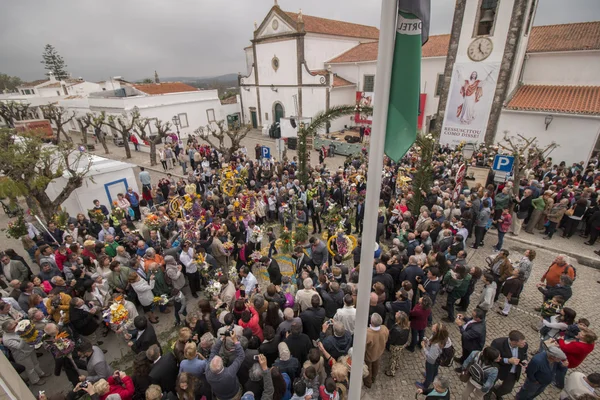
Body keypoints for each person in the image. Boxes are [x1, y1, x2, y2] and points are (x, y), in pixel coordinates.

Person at [2, 320, 49, 385]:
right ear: (8, 330)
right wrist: (23, 335)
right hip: (22, 355)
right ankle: (35, 380)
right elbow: (19, 347)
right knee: (30, 368)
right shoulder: (6, 339)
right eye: (14, 327)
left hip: (29, 349)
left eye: (16, 324)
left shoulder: (17, 329)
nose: (16, 326)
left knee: (35, 362)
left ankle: (41, 373)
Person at [205, 331, 245, 400]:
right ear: (222, 364)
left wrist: (221, 339)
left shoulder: (207, 371)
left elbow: (213, 352)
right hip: (234, 395)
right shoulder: (229, 373)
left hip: (220, 397)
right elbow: (241, 356)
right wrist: (235, 340)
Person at [489, 330, 528, 399]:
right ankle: (487, 395)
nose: (524, 344)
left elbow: (524, 355)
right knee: (489, 384)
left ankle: (496, 393)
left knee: (507, 389)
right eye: (522, 343)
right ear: (514, 342)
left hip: (512, 371)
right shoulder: (498, 343)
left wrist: (524, 361)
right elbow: (492, 358)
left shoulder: (524, 346)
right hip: (498, 369)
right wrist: (508, 360)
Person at [416, 322, 451, 390]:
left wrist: (424, 347)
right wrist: (427, 341)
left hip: (432, 361)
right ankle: (433, 377)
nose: (433, 325)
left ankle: (425, 385)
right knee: (435, 369)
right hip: (438, 359)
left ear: (436, 331)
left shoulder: (436, 345)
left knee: (429, 371)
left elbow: (431, 357)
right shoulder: (443, 337)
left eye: (434, 326)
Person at [363, 313, 389, 388]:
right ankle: (373, 378)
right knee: (376, 365)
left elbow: (363, 347)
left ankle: (368, 383)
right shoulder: (384, 329)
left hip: (369, 355)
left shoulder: (367, 333)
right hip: (379, 352)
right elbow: (386, 339)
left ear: (371, 321)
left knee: (368, 369)